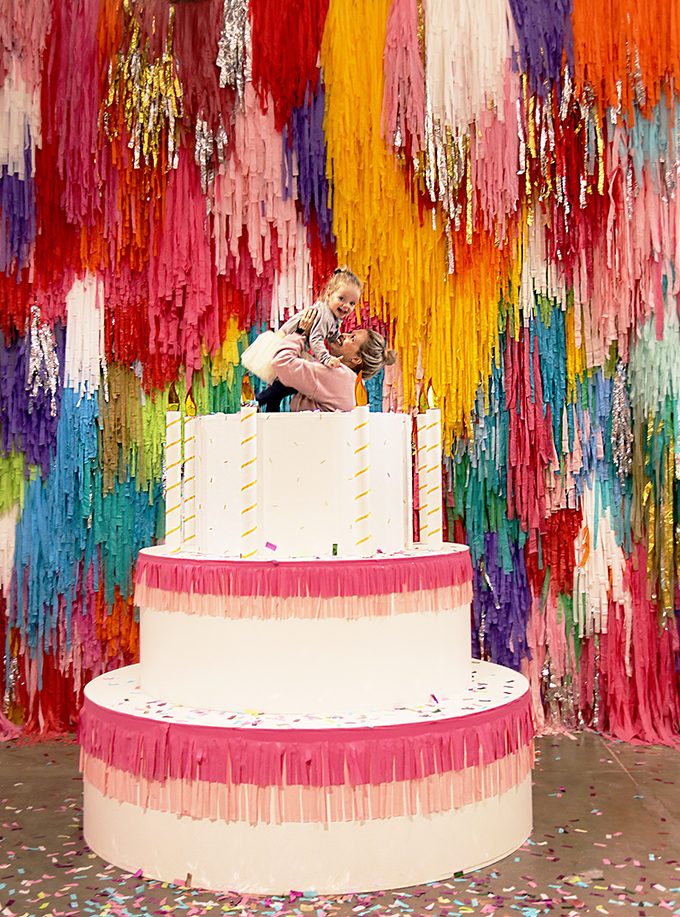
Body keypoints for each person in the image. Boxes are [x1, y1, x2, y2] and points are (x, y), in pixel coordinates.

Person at [240, 267, 362, 412]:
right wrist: (326, 359)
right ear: (328, 295)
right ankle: (260, 400)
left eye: (352, 303)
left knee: (286, 384)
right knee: (289, 383)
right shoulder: (325, 316)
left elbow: (331, 335)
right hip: (286, 342)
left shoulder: (334, 317)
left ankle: (268, 409)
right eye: (342, 299)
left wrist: (336, 338)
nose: (346, 306)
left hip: (293, 344)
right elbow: (316, 340)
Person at [270, 307, 397, 412]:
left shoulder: (336, 374)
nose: (344, 334)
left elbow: (281, 362)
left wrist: (299, 333)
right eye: (350, 332)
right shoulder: (352, 383)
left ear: (356, 359)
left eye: (352, 338)